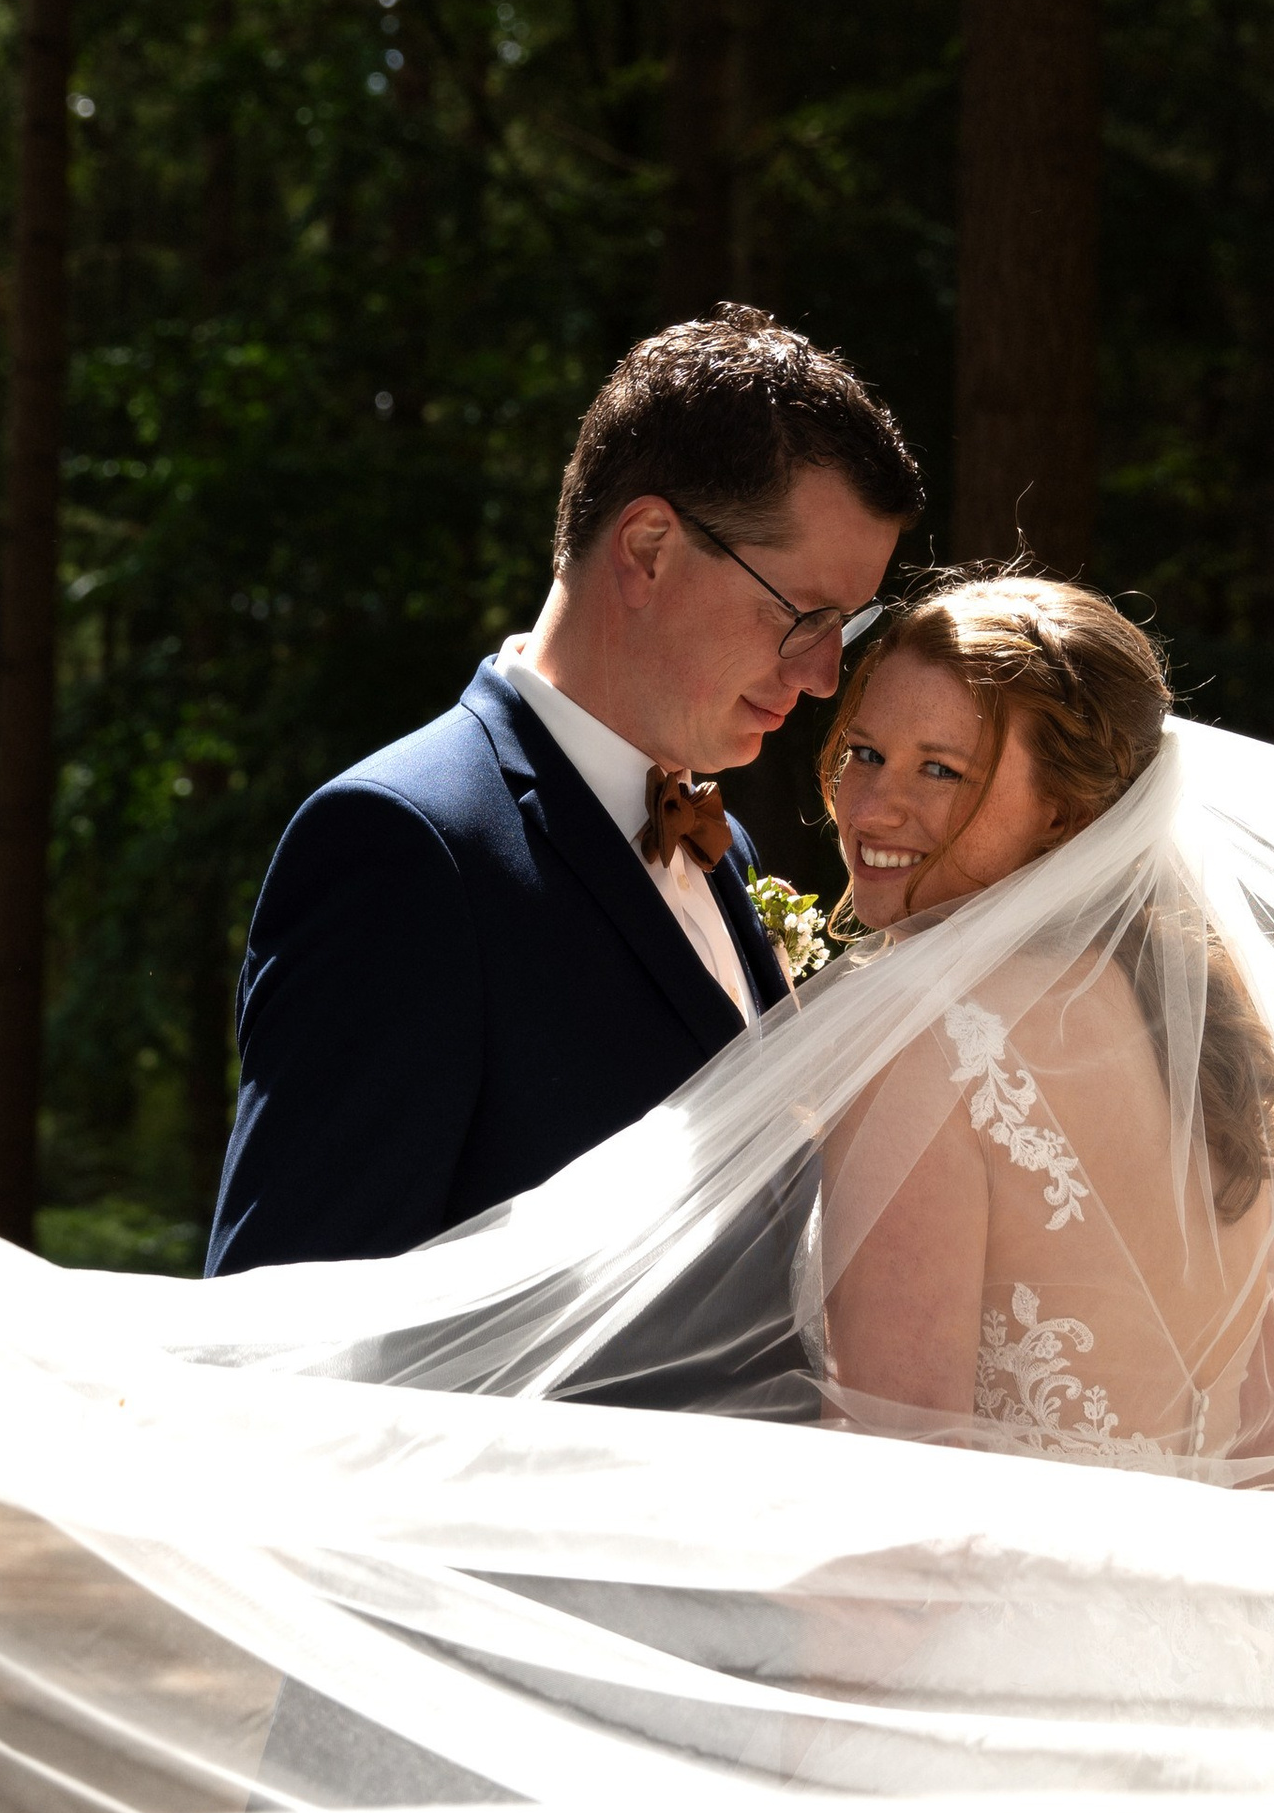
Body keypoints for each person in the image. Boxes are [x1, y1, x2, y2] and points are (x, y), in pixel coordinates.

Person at [204, 303, 920, 1276]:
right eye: (802, 615)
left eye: (848, 626)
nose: (824, 676)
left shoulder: (722, 846)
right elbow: (285, 1315)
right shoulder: (407, 849)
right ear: (648, 549)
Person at [812, 573, 1274, 1488]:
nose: (871, 807)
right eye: (864, 752)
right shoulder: (1210, 1045)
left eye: (941, 770)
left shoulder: (925, 1045)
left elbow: (891, 1496)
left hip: (991, 1631)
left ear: (1066, 813)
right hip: (1215, 1628)